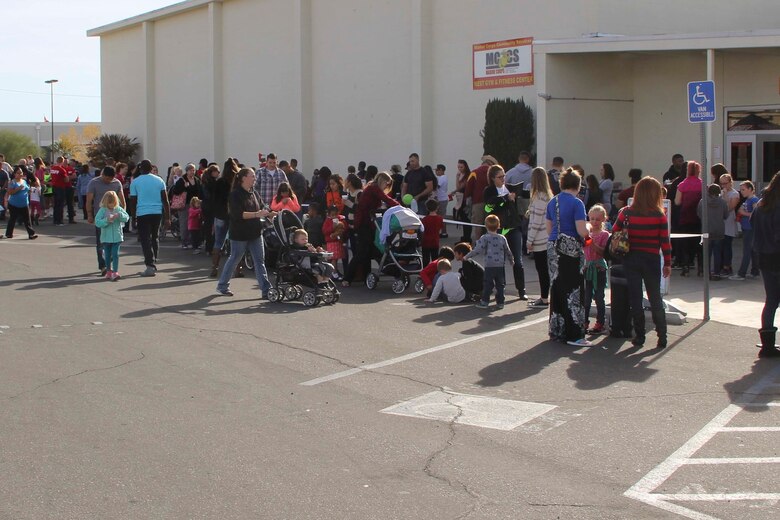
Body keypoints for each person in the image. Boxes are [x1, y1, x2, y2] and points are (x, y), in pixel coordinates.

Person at [612, 176, 672, 348]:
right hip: (652, 259)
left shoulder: (626, 212)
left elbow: (615, 231)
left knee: (635, 298)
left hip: (631, 258)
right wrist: (667, 263)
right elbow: (665, 242)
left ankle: (639, 336)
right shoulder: (659, 215)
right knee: (655, 298)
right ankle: (662, 336)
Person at [545, 168, 590, 347]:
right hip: (570, 250)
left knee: (557, 287)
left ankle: (557, 329)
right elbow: (581, 230)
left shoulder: (552, 202)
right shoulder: (577, 203)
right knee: (574, 290)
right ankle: (575, 334)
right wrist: (588, 235)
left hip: (552, 246)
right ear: (578, 186)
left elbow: (549, 229)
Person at [216, 168, 272, 297]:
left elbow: (263, 207)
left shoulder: (254, 193)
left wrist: (270, 213)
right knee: (235, 258)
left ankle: (266, 289)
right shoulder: (235, 195)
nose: (254, 178)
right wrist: (257, 214)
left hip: (255, 232)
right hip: (239, 233)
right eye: (252, 176)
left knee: (259, 261)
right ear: (243, 178)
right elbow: (238, 214)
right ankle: (222, 285)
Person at [343, 172, 398, 286]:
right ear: (382, 181)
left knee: (368, 251)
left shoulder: (371, 188)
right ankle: (347, 278)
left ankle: (365, 276)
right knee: (363, 251)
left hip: (367, 222)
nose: (386, 187)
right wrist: (399, 206)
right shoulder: (374, 188)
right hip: (364, 223)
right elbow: (386, 199)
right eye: (386, 184)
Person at [483, 164, 526, 299]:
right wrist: (505, 199)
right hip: (499, 229)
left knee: (517, 261)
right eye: (500, 177)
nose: (503, 179)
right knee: (499, 261)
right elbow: (489, 207)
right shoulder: (489, 191)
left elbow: (518, 201)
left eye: (504, 176)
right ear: (492, 178)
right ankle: (500, 290)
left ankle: (521, 290)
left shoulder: (510, 189)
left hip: (514, 227)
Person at [751, 171, 780, 357]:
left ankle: (767, 345)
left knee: (771, 300)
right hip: (777, 254)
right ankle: (768, 345)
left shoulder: (761, 205)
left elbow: (753, 226)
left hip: (764, 256)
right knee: (772, 301)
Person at [130, 159, 170, 277]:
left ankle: (150, 265)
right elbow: (165, 200)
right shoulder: (159, 180)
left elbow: (133, 201)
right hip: (157, 212)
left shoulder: (135, 182)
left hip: (142, 212)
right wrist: (168, 217)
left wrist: (133, 218)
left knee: (145, 239)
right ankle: (153, 261)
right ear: (151, 168)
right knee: (154, 237)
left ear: (140, 168)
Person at [465, 214, 514, 310]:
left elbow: (477, 250)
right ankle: (500, 302)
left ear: (486, 226)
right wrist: (511, 259)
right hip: (500, 265)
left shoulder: (484, 238)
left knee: (488, 284)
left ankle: (485, 301)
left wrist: (467, 256)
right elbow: (507, 250)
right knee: (500, 284)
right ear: (498, 225)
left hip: (489, 265)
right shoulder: (502, 238)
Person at [86, 166, 126, 276]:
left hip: (115, 217)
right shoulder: (94, 183)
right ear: (102, 174)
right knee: (101, 242)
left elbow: (122, 200)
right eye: (107, 178)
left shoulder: (116, 183)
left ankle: (109, 262)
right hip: (101, 216)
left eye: (110, 179)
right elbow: (89, 200)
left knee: (115, 241)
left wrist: (123, 213)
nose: (108, 181)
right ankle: (103, 266)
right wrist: (89, 214)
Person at [527, 167, 553, 308]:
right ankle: (545, 296)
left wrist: (529, 240)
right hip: (548, 237)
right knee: (546, 269)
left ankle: (544, 298)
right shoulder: (548, 196)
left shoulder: (538, 198)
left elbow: (536, 222)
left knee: (541, 269)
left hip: (539, 239)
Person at [583, 205, 610, 334]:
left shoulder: (605, 234)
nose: (594, 222)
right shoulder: (587, 233)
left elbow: (603, 252)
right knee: (586, 297)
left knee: (599, 297)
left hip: (599, 267)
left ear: (604, 220)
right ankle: (584, 321)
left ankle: (600, 322)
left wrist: (590, 242)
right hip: (587, 267)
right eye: (592, 219)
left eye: (598, 219)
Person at [209, 160, 239, 277]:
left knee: (218, 242)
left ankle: (214, 267)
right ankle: (238, 268)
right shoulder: (236, 181)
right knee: (236, 242)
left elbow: (214, 200)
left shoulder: (220, 182)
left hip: (221, 215)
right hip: (234, 215)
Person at [674, 161, 703, 276]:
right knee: (700, 243)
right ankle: (701, 268)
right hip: (699, 217)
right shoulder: (702, 184)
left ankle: (685, 267)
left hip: (685, 216)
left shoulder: (682, 185)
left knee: (685, 243)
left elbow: (677, 201)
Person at [94, 191, 130, 281]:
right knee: (107, 255)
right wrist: (106, 220)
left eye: (113, 203)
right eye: (110, 203)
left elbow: (127, 217)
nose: (112, 205)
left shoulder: (118, 209)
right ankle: (108, 271)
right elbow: (97, 222)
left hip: (117, 237)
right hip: (106, 237)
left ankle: (115, 272)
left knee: (115, 254)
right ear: (106, 202)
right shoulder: (102, 210)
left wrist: (120, 215)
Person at [730, 180, 761, 281]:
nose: (741, 192)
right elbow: (740, 210)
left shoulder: (754, 200)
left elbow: (755, 214)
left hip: (750, 228)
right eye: (741, 190)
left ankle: (741, 273)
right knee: (752, 250)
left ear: (750, 189)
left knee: (747, 250)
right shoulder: (747, 200)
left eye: (743, 189)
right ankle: (755, 271)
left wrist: (744, 213)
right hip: (746, 227)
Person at [697, 184, 729, 280]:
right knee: (717, 253)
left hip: (707, 230)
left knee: (706, 253)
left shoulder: (703, 202)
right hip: (719, 230)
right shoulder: (723, 202)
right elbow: (726, 215)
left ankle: (706, 273)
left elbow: (699, 214)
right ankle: (716, 273)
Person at [464, 155, 498, 243]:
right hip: (491, 202)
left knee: (477, 224)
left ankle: (478, 243)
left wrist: (467, 198)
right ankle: (490, 242)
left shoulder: (474, 172)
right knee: (490, 224)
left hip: (477, 202)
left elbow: (468, 188)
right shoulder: (494, 174)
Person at [0, 166, 37, 240]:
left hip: (24, 203)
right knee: (12, 219)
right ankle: (9, 234)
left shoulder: (24, 181)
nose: (20, 174)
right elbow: (10, 192)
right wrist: (18, 188)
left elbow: (27, 189)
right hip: (14, 204)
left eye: (21, 173)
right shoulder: (12, 182)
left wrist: (30, 190)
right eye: (18, 173)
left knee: (27, 220)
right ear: (14, 174)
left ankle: (31, 234)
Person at [171, 163, 201, 248]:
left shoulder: (196, 179)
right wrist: (184, 187)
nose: (193, 172)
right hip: (185, 204)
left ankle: (193, 241)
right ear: (187, 171)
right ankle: (184, 241)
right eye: (191, 170)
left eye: (194, 170)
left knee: (195, 223)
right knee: (184, 222)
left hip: (195, 205)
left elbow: (199, 190)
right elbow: (175, 191)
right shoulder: (182, 180)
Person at [719, 173, 740, 276]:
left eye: (725, 183)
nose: (723, 186)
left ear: (730, 182)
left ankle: (727, 266)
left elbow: (730, 208)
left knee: (727, 245)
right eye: (721, 184)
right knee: (721, 246)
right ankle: (722, 265)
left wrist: (726, 196)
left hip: (729, 222)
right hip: (720, 223)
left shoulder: (734, 194)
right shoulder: (720, 193)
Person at [50, 156, 76, 225]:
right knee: (60, 204)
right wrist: (67, 177)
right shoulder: (61, 169)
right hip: (61, 188)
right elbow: (66, 179)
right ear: (62, 161)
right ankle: (59, 220)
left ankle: (56, 220)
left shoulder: (53, 168)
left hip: (56, 187)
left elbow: (74, 176)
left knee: (57, 204)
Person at [322, 205, 346, 277]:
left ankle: (333, 272)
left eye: (336, 214)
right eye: (332, 215)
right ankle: (334, 273)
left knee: (335, 258)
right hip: (331, 242)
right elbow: (325, 231)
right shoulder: (328, 221)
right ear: (329, 215)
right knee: (334, 259)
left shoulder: (340, 219)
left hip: (337, 241)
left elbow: (343, 227)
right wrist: (333, 227)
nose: (334, 216)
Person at [421, 199, 444, 266]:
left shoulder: (425, 219)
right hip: (435, 241)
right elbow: (440, 229)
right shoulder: (440, 219)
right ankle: (434, 272)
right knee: (435, 259)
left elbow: (422, 230)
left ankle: (424, 272)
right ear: (437, 207)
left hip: (426, 242)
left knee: (425, 259)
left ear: (427, 208)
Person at [434, 164, 449, 237]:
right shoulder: (442, 177)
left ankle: (444, 232)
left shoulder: (442, 178)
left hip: (442, 199)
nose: (436, 172)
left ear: (441, 170)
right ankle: (442, 231)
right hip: (441, 198)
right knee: (440, 216)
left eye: (437, 170)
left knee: (442, 217)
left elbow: (437, 186)